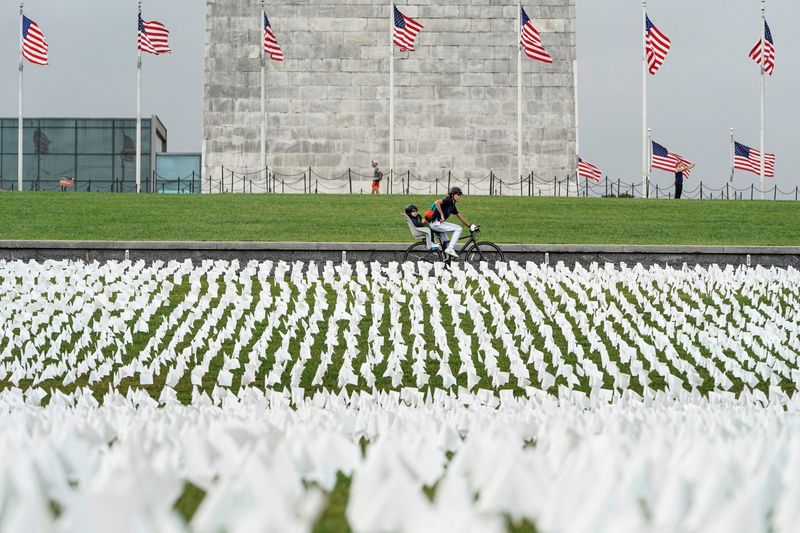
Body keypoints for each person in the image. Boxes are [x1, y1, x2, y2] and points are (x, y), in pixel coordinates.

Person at [429, 187, 477, 258]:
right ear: (452, 195)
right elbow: (437, 202)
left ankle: (446, 262)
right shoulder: (448, 200)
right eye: (458, 195)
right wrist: (441, 214)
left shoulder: (452, 206)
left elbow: (459, 216)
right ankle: (450, 249)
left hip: (439, 224)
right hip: (436, 224)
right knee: (458, 229)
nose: (459, 197)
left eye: (460, 195)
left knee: (447, 243)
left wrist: (469, 226)